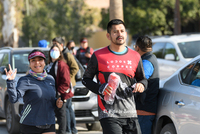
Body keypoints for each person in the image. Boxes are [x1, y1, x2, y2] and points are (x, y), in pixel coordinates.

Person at [82, 19, 147, 134]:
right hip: (108, 113)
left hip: (130, 112)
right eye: (115, 32)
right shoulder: (98, 55)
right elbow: (85, 79)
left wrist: (141, 84)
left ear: (126, 34)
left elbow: (142, 79)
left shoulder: (135, 56)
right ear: (108, 35)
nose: (119, 34)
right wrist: (100, 89)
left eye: (122, 31)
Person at [5, 49, 63, 134]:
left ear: (44, 62)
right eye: (33, 60)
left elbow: (50, 99)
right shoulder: (25, 80)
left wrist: (57, 103)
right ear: (29, 63)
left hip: (49, 122)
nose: (37, 63)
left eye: (40, 60)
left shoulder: (50, 79)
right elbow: (14, 99)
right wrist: (10, 81)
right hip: (30, 124)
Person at [52, 37, 79, 134]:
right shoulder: (57, 58)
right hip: (64, 85)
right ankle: (72, 129)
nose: (54, 46)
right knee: (68, 108)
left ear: (61, 45)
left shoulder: (67, 54)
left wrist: (69, 78)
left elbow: (75, 68)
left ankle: (69, 130)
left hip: (66, 86)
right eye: (53, 44)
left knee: (66, 109)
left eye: (56, 44)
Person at [134, 36, 159, 134]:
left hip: (144, 109)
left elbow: (142, 79)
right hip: (146, 109)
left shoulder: (146, 62)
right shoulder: (151, 58)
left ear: (137, 48)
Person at [46, 44, 73, 134]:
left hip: (59, 95)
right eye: (52, 50)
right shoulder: (49, 65)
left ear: (60, 53)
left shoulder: (61, 65)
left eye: (56, 50)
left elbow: (66, 82)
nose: (54, 52)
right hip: (50, 95)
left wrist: (59, 93)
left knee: (61, 116)